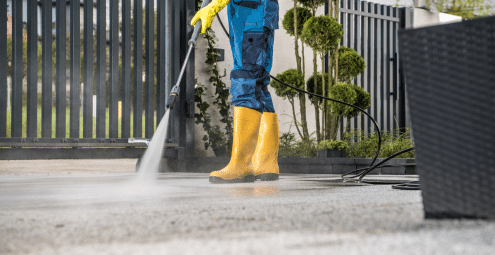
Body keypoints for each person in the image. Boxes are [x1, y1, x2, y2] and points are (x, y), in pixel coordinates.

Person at [191, 0, 280, 183]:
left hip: (251, 14)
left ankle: (241, 165)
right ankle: (266, 162)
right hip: (254, 14)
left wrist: (214, 5)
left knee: (245, 79)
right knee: (259, 83)